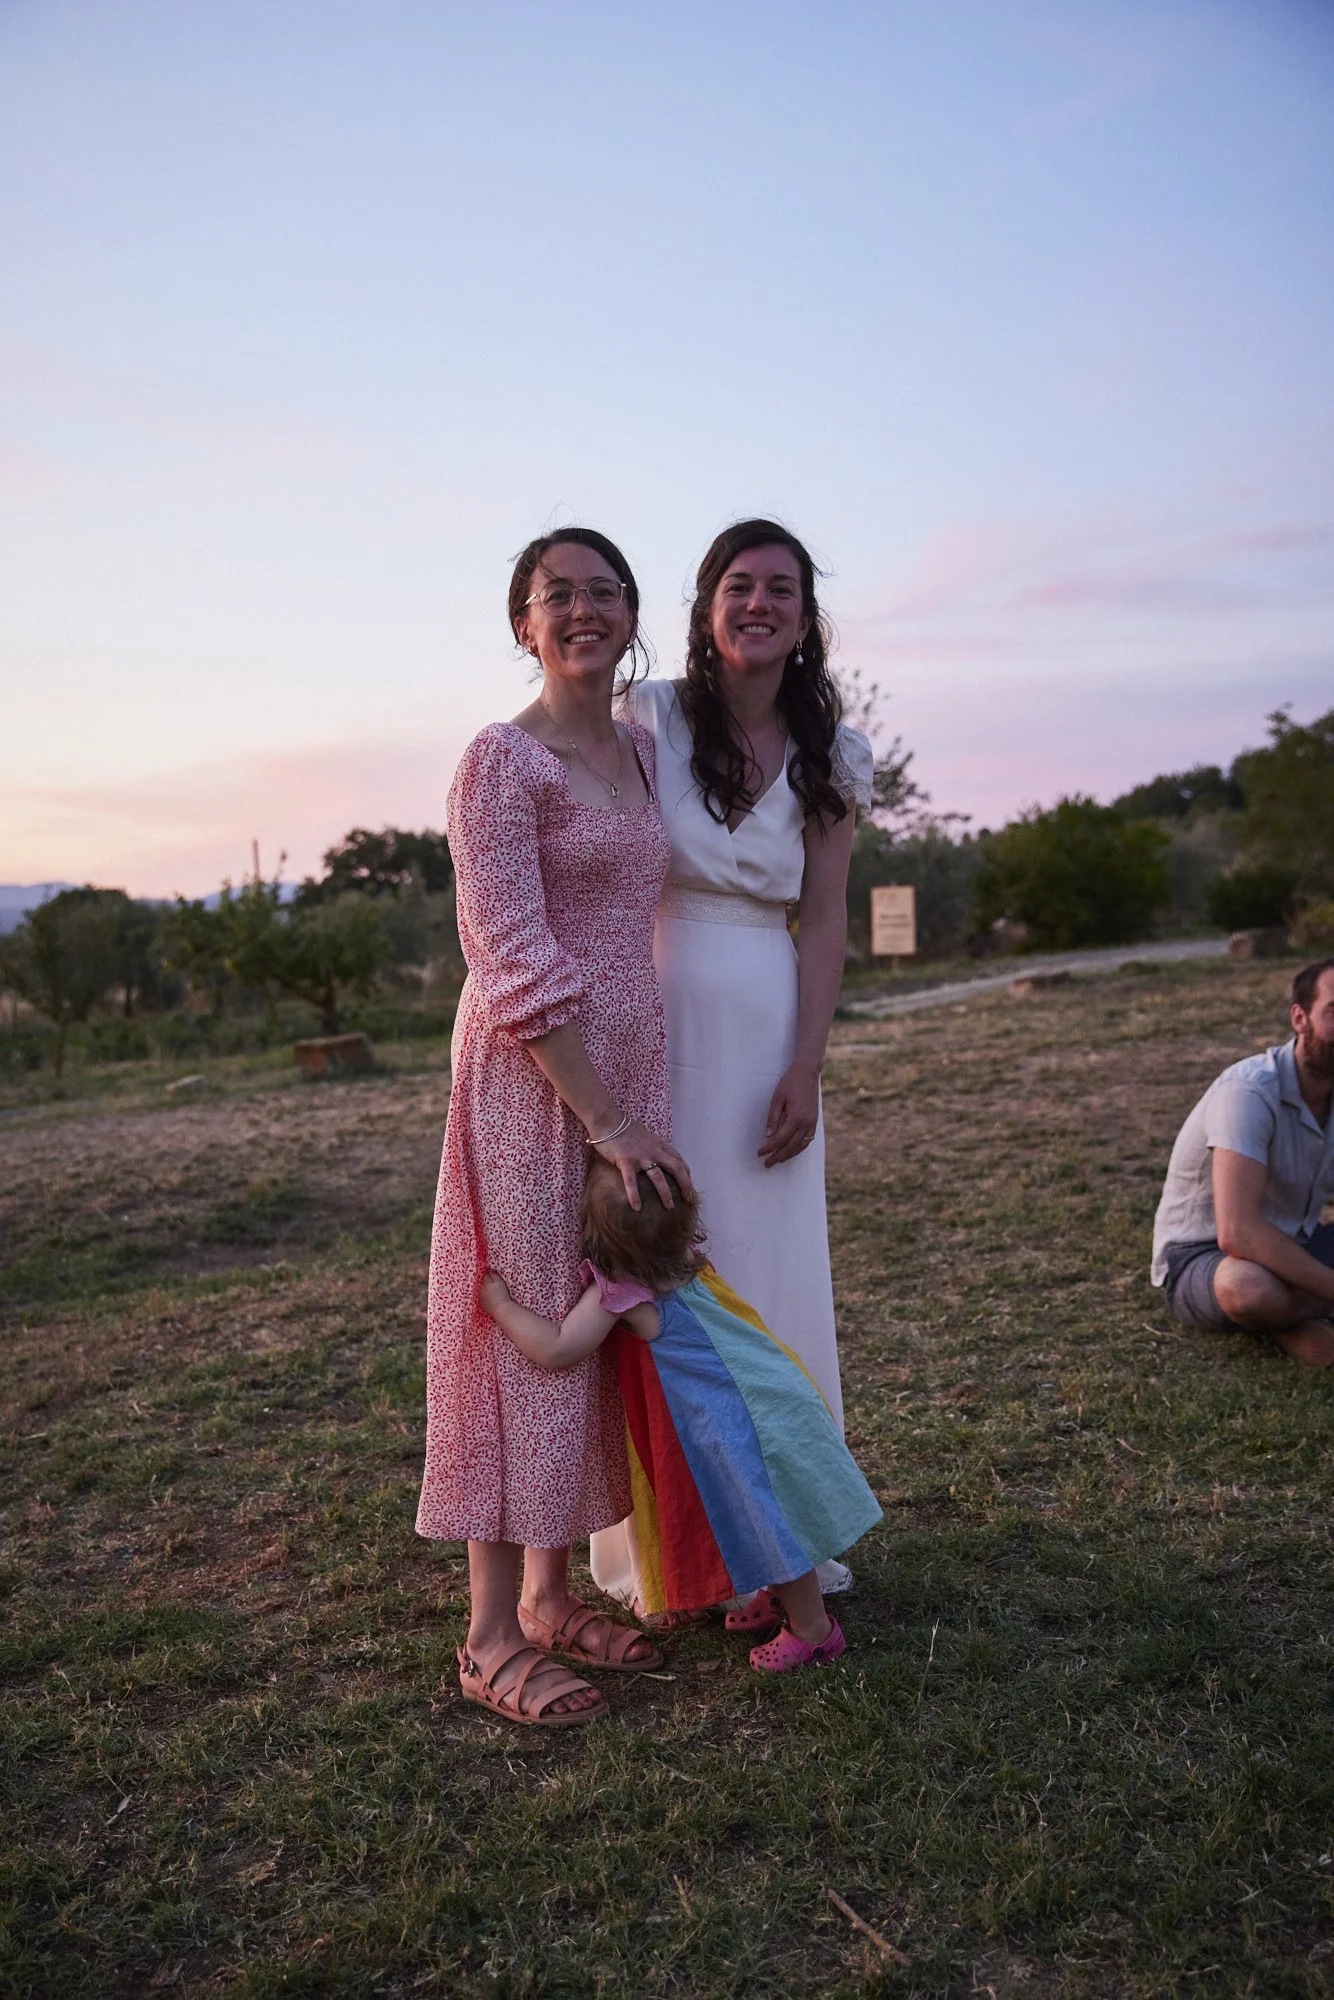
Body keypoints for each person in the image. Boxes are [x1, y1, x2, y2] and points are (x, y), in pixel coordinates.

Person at [416, 528, 693, 1730]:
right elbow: (511, 953)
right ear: (522, 623)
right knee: (522, 1317)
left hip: (628, 1066)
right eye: (556, 595)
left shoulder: (636, 751)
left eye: (603, 591)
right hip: (539, 1075)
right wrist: (605, 1112)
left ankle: (551, 1590)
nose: (582, 609)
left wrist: (634, 1101)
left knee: (599, 1307)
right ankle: (485, 1635)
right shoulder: (498, 761)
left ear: (632, 612)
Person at [590, 519, 872, 1619]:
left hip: (765, 1019)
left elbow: (829, 913)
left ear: (806, 617)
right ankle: (680, 1553)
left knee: (767, 1280)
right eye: (738, 586)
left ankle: (784, 1544)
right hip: (655, 1017)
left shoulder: (830, 749)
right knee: (669, 1278)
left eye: (781, 590)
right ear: (706, 606)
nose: (759, 603)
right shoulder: (647, 719)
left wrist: (806, 1064)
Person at [482, 1159, 882, 1677]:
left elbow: (559, 1349)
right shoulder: (684, 1260)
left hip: (730, 1424)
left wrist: (502, 1306)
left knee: (770, 1520)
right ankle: (781, 1597)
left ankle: (813, 1631)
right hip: (764, 1392)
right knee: (763, 1513)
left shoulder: (623, 1294)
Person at [1152, 957, 1334, 1367]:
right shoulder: (1249, 1092)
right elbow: (1239, 1234)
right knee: (1250, 1288)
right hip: (1205, 1257)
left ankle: (1299, 1321)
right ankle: (1295, 1320)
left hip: (1297, 1241)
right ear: (1299, 1018)